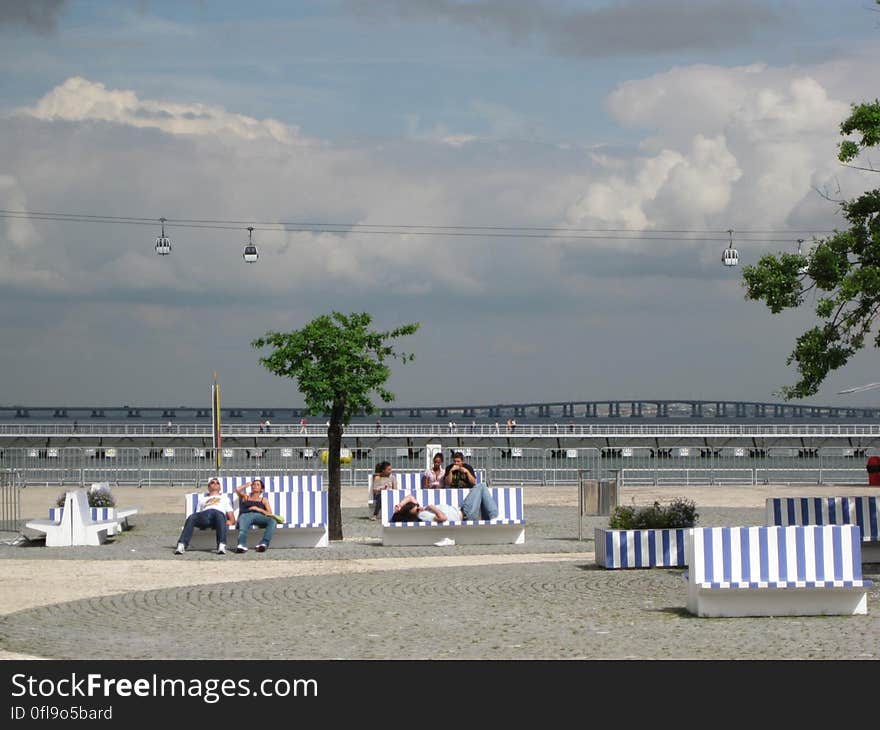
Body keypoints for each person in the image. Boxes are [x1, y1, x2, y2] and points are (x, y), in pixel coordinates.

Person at [175, 477, 235, 555]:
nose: (215, 484)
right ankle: (182, 544)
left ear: (220, 487)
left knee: (219, 514)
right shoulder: (202, 499)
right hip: (205, 516)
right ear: (208, 487)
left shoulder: (225, 498)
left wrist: (225, 522)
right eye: (212, 482)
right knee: (191, 517)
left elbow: (232, 518)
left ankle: (221, 545)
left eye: (217, 483)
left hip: (218, 516)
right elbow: (198, 514)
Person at [442, 451, 499, 520]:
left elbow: (473, 482)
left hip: (469, 494)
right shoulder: (449, 468)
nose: (456, 463)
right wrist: (451, 471)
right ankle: (494, 516)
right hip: (455, 493)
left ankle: (493, 516)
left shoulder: (468, 467)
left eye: (458, 461)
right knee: (482, 485)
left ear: (462, 462)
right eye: (454, 461)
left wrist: (467, 472)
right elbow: (448, 483)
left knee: (482, 485)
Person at [234, 478, 276, 553]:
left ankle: (263, 543)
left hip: (258, 516)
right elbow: (237, 490)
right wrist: (246, 485)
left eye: (257, 484)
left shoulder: (264, 500)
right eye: (253, 484)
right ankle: (241, 545)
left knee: (272, 521)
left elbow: (270, 513)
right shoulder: (246, 497)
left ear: (261, 489)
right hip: (245, 515)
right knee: (243, 524)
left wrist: (258, 509)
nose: (254, 486)